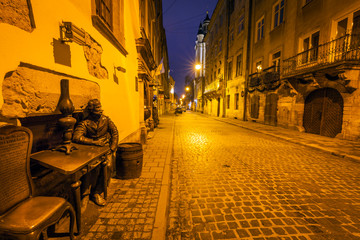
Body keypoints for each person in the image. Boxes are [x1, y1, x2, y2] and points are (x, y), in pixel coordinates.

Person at [73, 99, 118, 206]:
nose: (100, 112)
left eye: (100, 109)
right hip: (91, 151)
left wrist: (112, 148)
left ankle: (97, 192)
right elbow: (76, 137)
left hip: (106, 149)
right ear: (91, 111)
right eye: (97, 110)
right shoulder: (85, 123)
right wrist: (94, 142)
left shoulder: (106, 120)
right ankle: (85, 193)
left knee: (108, 166)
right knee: (89, 168)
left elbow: (114, 132)